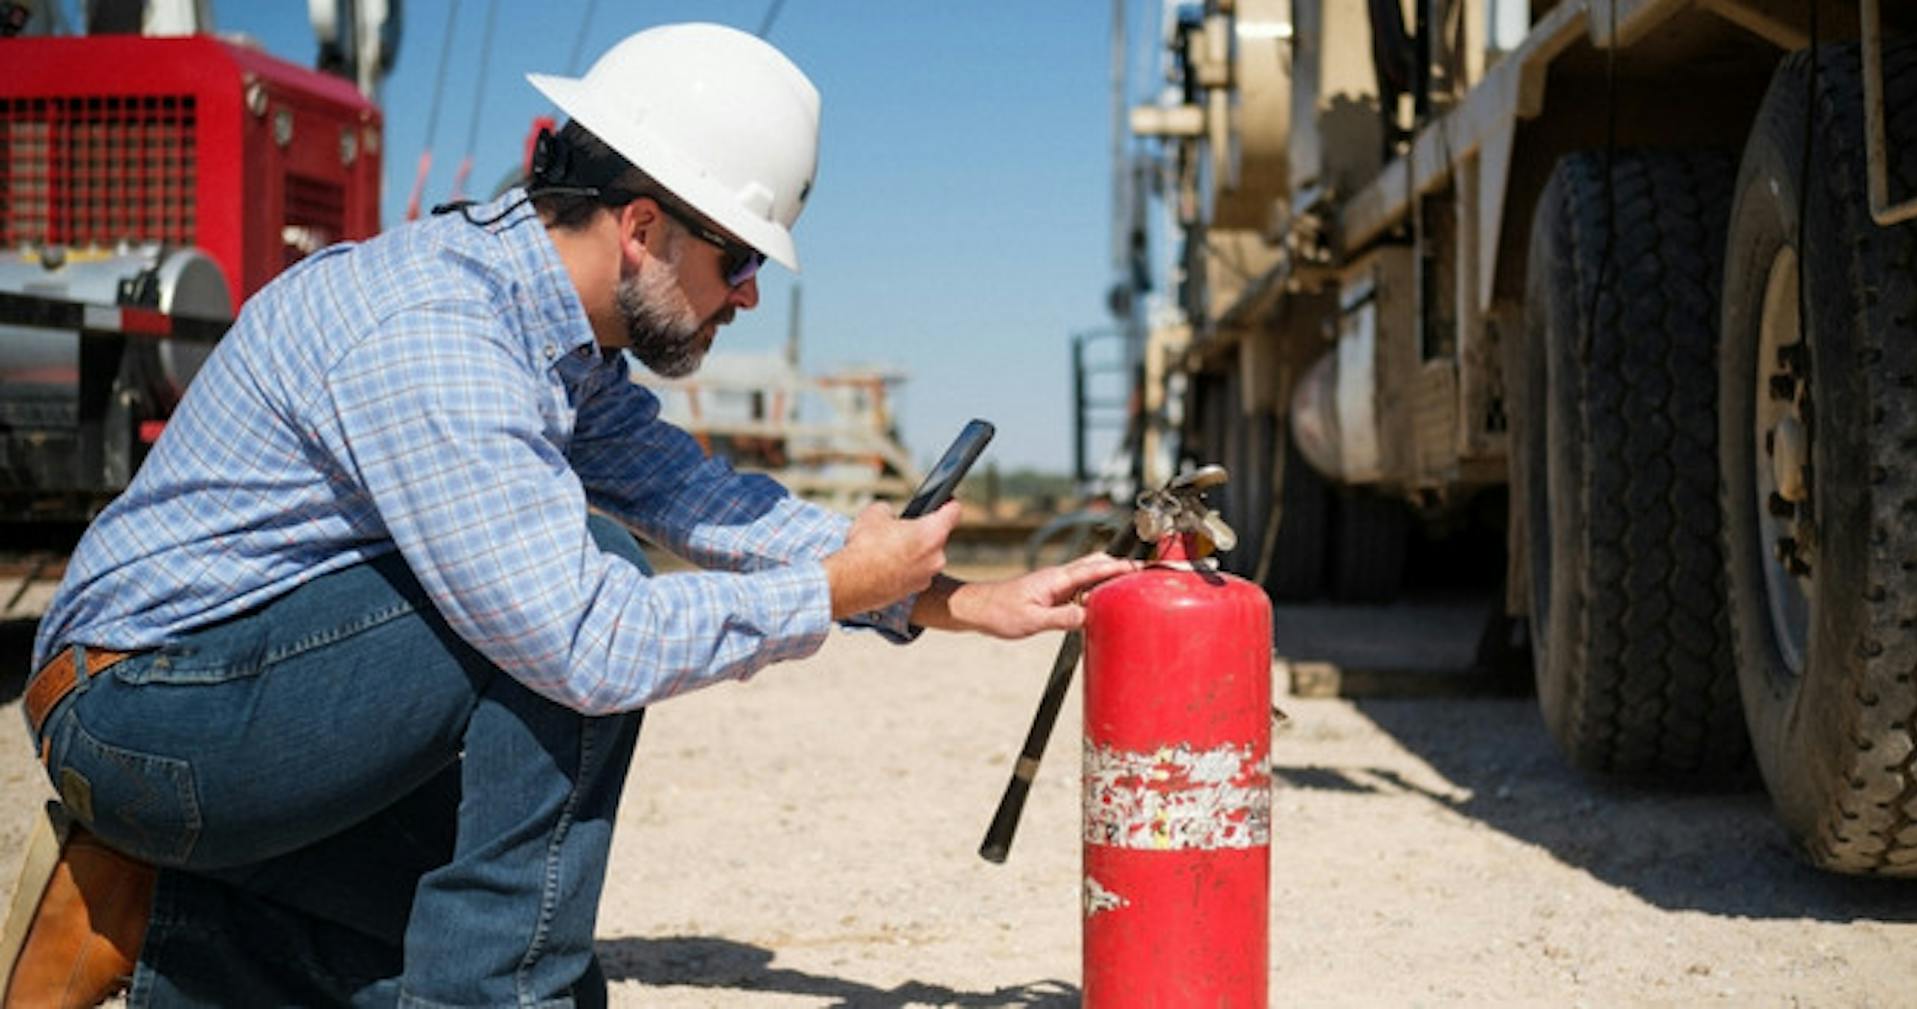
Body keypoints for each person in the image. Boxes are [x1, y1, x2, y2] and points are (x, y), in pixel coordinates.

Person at [0, 22, 1134, 1008]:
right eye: (739, 258)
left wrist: (952, 598)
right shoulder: (443, 336)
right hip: (142, 715)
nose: (748, 294)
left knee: (530, 954)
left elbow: (701, 499)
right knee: (577, 596)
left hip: (228, 705)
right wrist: (835, 589)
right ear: (642, 229)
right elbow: (586, 644)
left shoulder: (554, 333)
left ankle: (147, 917)